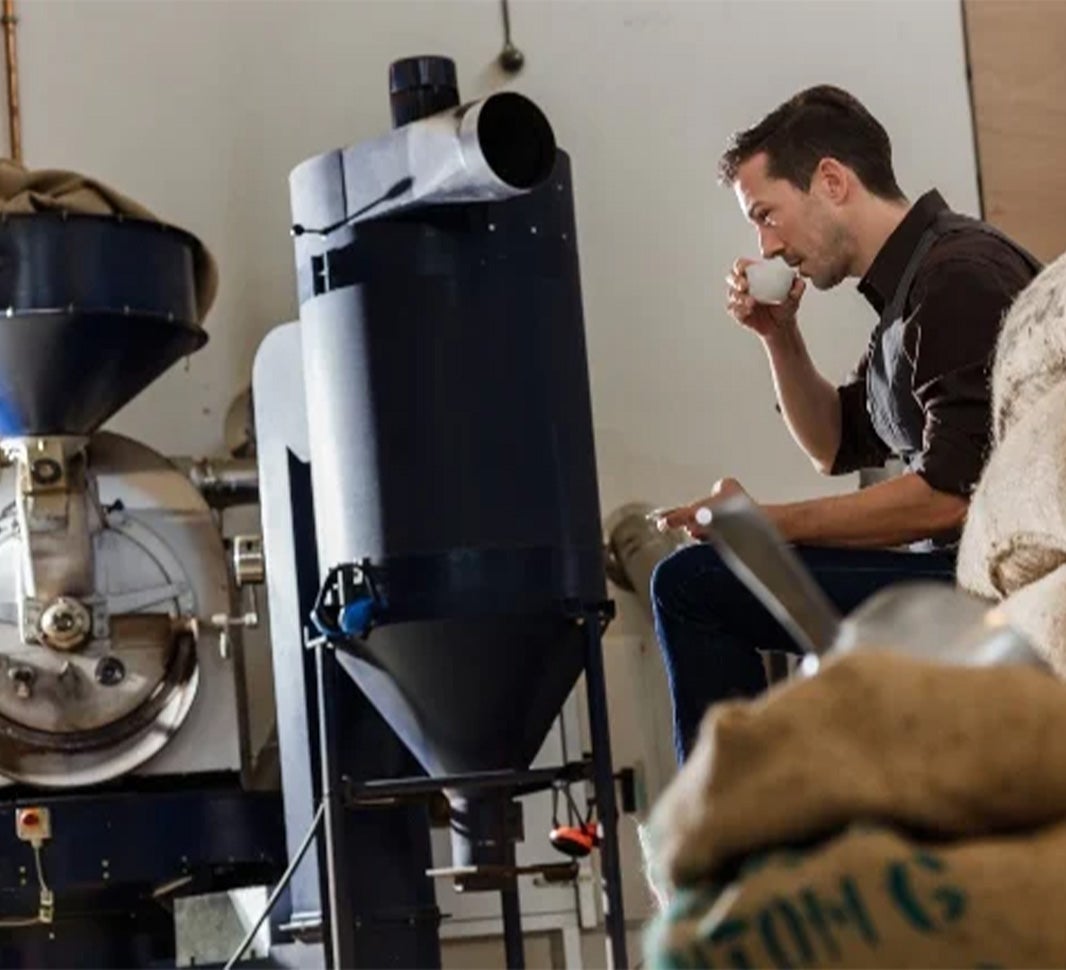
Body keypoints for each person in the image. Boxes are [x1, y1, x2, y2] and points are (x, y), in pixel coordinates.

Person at [652, 85, 1040, 763]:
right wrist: (779, 337)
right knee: (702, 576)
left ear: (831, 181)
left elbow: (950, 496)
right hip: (949, 568)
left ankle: (734, 842)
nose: (766, 247)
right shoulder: (911, 288)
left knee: (693, 586)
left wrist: (764, 525)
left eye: (766, 215)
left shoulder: (956, 277)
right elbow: (834, 444)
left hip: (977, 581)